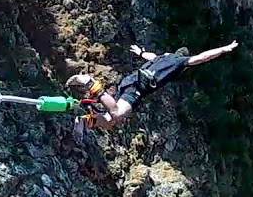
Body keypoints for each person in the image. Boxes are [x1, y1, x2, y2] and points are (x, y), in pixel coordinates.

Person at [66, 40, 239, 130]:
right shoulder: (179, 62)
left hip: (131, 81)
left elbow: (149, 56)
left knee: (110, 121)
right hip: (138, 88)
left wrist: (140, 52)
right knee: (117, 114)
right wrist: (224, 49)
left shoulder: (164, 56)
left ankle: (83, 122)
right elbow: (202, 57)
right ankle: (88, 82)